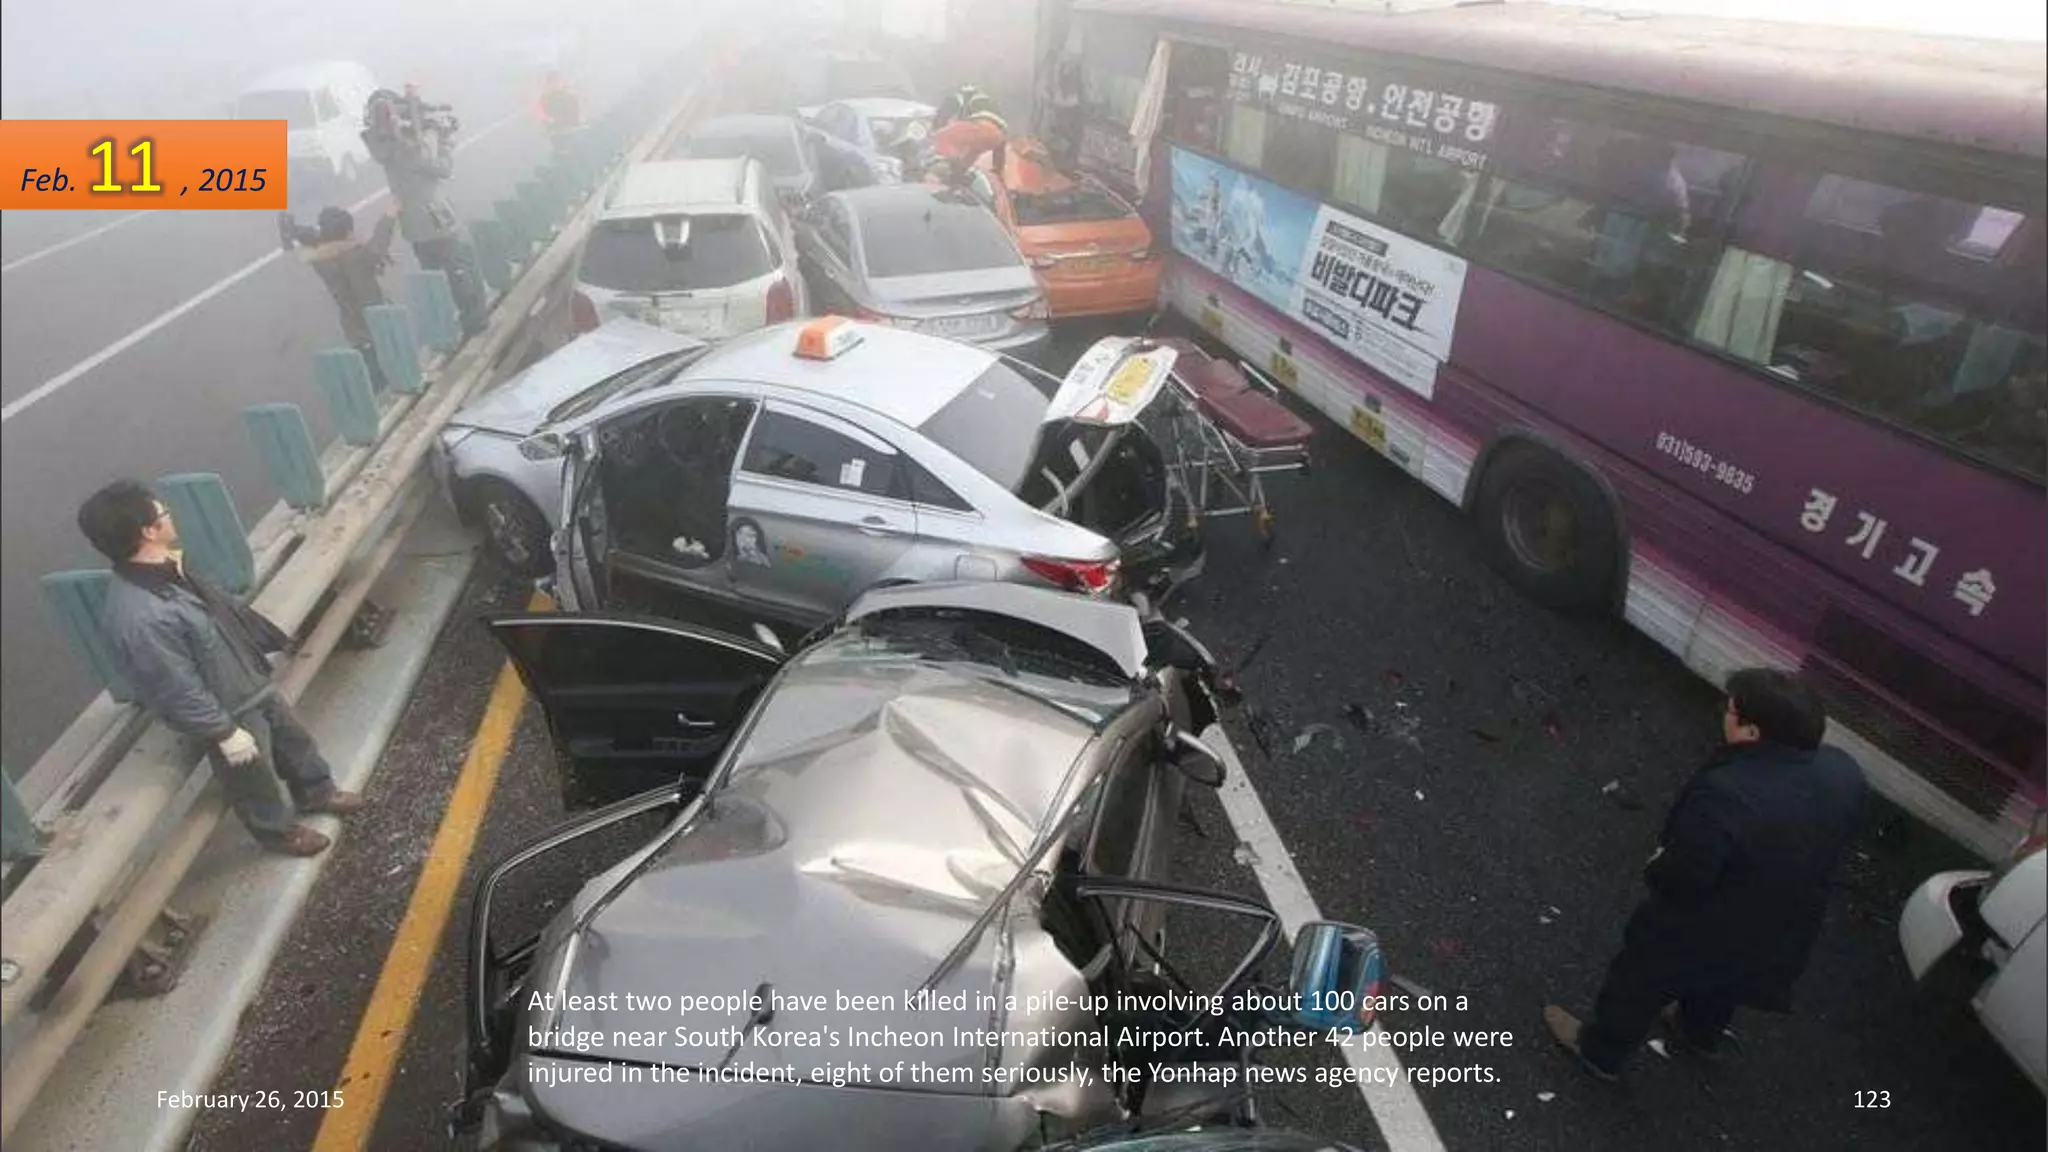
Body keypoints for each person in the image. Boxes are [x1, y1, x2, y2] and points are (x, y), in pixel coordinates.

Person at [1545, 668, 1865, 1079]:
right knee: (1729, 976)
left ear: (1751, 731)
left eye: (1730, 709)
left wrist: (1655, 867)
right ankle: (1698, 1032)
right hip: (1783, 922)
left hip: (1704, 924)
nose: (1723, 714)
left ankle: (1600, 1052)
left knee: (1640, 976)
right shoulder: (1843, 773)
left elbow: (1682, 877)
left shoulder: (1728, 792)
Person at [78, 481, 365, 857]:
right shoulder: (140, 616)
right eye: (163, 513)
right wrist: (223, 731)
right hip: (228, 707)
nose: (170, 516)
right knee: (251, 777)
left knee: (293, 741)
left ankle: (317, 792)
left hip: (247, 682)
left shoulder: (167, 570)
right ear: (148, 531)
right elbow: (174, 687)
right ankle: (277, 832)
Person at [361, 86, 488, 336]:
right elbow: (443, 168)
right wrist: (444, 141)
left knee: (434, 278)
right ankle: (474, 322)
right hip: (437, 220)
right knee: (459, 271)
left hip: (414, 227)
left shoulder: (383, 145)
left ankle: (445, 324)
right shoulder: (408, 149)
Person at [280, 205, 400, 389]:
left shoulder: (321, 259)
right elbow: (378, 245)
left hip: (353, 326)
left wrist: (295, 230)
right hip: (375, 322)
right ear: (347, 231)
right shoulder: (356, 257)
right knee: (389, 368)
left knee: (370, 369)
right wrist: (390, 216)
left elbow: (315, 238)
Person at [927, 87, 1009, 176]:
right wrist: (998, 170)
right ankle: (958, 173)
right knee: (971, 156)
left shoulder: (959, 97)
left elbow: (943, 114)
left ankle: (942, 168)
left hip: (979, 127)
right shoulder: (988, 102)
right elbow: (1000, 143)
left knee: (942, 136)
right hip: (997, 136)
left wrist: (934, 129)